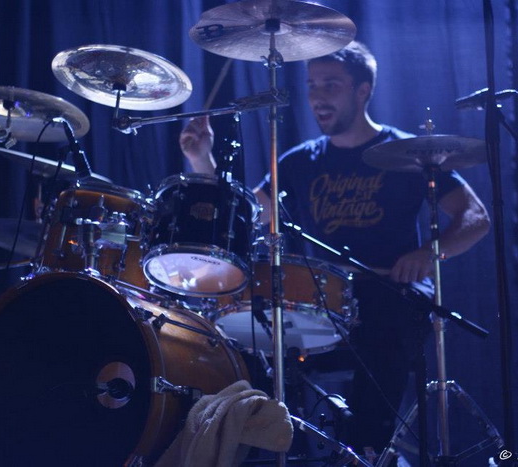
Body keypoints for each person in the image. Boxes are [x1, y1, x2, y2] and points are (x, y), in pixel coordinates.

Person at [179, 41, 490, 459]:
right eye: (311, 85)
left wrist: (430, 253)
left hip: (388, 294)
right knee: (249, 340)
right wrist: (202, 161)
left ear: (363, 91)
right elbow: (246, 216)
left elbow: (476, 216)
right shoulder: (299, 162)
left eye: (331, 85)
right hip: (320, 305)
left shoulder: (408, 154)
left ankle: (370, 451)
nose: (317, 96)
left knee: (384, 329)